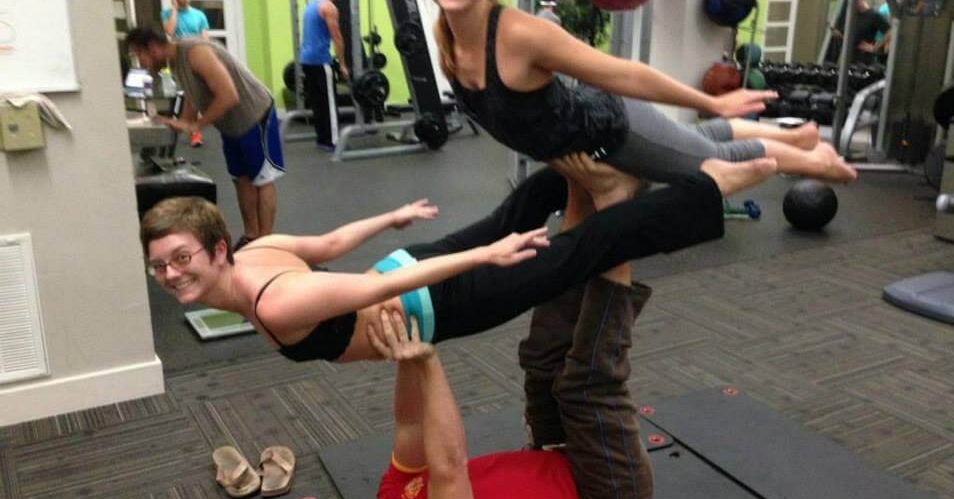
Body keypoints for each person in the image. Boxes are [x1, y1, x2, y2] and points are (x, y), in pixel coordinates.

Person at [140, 153, 776, 366]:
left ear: (218, 249)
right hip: (403, 266)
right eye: (160, 267)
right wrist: (393, 219)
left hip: (435, 300)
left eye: (181, 258)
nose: (171, 276)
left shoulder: (273, 301)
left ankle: (710, 186)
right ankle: (572, 161)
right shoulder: (260, 250)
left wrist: (486, 257)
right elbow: (333, 245)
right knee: (514, 215)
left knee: (575, 253)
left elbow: (365, 289)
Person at [297, 257, 652, 499]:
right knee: (584, 385)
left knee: (540, 359)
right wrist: (428, 361)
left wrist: (406, 349)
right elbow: (450, 467)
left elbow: (411, 425)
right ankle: (617, 233)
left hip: (554, 451)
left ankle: (584, 220)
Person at [419, 0, 856, 191]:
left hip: (616, 131)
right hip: (590, 137)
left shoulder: (519, 34)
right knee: (694, 140)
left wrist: (710, 102)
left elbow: (625, 74)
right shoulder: (447, 39)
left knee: (712, 162)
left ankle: (814, 160)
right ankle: (791, 134)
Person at [126, 26, 285, 250]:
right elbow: (195, 95)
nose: (141, 63)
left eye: (139, 55)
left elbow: (229, 95)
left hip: (254, 114)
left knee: (262, 179)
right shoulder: (175, 62)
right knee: (241, 178)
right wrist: (181, 122)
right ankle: (251, 237)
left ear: (152, 47)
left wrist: (196, 125)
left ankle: (267, 244)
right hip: (231, 124)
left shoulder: (195, 52)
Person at [301, 0, 351, 151]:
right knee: (329, 103)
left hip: (306, 60)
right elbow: (337, 38)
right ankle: (334, 141)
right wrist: (342, 65)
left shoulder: (310, 5)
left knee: (317, 102)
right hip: (321, 60)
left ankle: (322, 139)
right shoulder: (328, 7)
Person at [161, 0, 210, 149]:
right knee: (188, 96)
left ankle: (191, 131)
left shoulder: (199, 15)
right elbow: (169, 31)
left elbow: (205, 39)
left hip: (196, 60)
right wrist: (174, 9)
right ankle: (186, 128)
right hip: (178, 61)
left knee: (192, 95)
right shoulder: (167, 13)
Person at [828, 0, 891, 65]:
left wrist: (875, 48)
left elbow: (890, 32)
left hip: (864, 61)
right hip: (849, 60)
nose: (851, 6)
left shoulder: (874, 15)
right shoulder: (853, 15)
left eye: (853, 2)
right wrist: (840, 35)